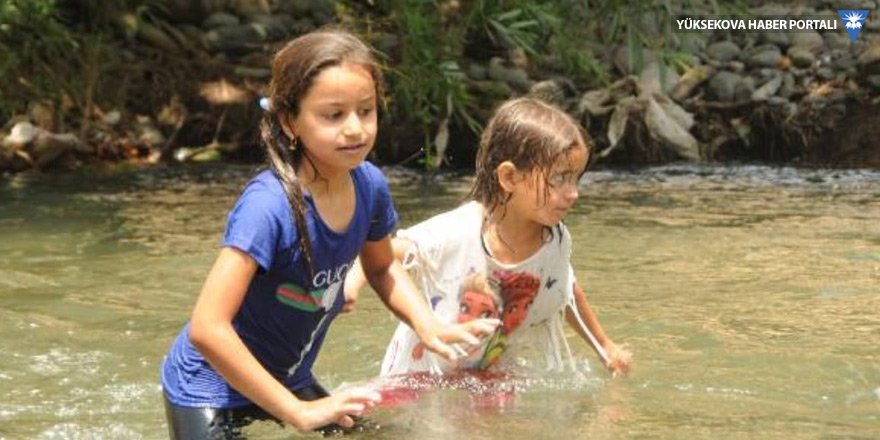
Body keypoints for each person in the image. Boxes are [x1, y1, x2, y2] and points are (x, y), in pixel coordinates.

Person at [160, 30, 498, 439]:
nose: (355, 129)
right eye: (333, 115)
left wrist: (429, 326)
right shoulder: (268, 208)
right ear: (289, 122)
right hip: (209, 386)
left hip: (287, 376)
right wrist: (298, 411)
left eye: (366, 111)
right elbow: (207, 327)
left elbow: (381, 268)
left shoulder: (369, 186)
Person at [346, 97, 632, 378]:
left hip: (482, 374)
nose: (573, 193)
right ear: (509, 177)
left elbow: (564, 288)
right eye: (559, 178)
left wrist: (605, 346)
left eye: (576, 178)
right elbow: (383, 254)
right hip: (417, 372)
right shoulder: (459, 231)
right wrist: (350, 285)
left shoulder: (554, 240)